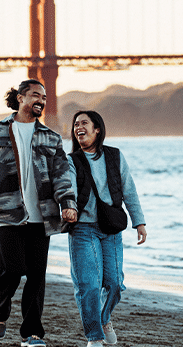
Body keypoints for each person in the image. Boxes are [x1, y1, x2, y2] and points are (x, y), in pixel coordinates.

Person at [0, 79, 79, 347]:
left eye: (43, 96)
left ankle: (32, 334)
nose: (41, 100)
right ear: (20, 98)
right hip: (8, 215)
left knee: (36, 276)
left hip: (41, 218)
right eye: (35, 95)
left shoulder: (52, 138)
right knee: (12, 269)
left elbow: (61, 176)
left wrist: (68, 203)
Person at [65, 110, 147, 347]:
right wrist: (67, 207)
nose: (78, 127)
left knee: (114, 284)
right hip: (82, 229)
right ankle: (95, 337)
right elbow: (67, 189)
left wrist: (139, 221)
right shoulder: (72, 160)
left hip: (111, 229)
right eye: (75, 124)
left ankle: (104, 319)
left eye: (84, 123)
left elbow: (129, 190)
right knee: (89, 285)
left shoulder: (115, 156)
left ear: (97, 129)